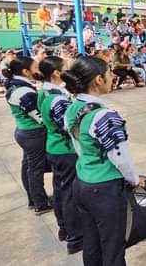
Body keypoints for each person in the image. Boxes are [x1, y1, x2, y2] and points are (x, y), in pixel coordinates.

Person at [62, 56, 143, 266]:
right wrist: (134, 179)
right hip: (104, 190)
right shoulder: (105, 116)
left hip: (82, 183)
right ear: (98, 80)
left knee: (92, 242)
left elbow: (77, 146)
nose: (112, 76)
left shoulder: (72, 107)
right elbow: (120, 157)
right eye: (109, 73)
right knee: (113, 247)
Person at [36, 56, 83, 255]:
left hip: (54, 148)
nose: (68, 68)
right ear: (57, 73)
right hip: (65, 150)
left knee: (60, 189)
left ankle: (64, 228)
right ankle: (75, 237)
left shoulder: (45, 92)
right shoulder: (57, 98)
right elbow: (67, 126)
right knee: (69, 194)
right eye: (65, 67)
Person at [3, 56, 52, 215]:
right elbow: (38, 116)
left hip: (24, 132)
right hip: (33, 134)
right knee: (35, 169)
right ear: (25, 71)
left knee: (28, 166)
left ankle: (33, 199)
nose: (38, 70)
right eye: (36, 67)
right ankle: (40, 203)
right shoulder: (23, 91)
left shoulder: (16, 85)